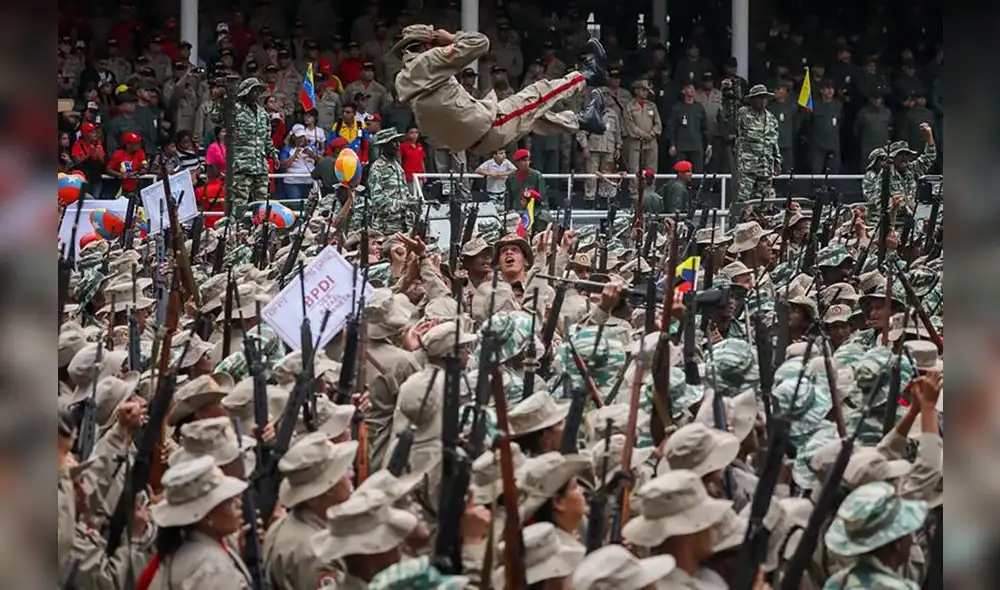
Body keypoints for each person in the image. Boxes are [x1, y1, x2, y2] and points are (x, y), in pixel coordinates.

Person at [392, 25, 608, 158]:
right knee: (537, 93)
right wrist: (450, 38)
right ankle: (587, 75)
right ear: (427, 44)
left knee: (531, 116)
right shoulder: (430, 59)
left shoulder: (402, 79)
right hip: (488, 127)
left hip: (472, 142)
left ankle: (584, 121)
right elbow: (480, 43)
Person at [146, 456, 252, 588]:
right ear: (207, 518)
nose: (238, 503)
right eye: (229, 501)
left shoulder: (183, 550)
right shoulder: (213, 569)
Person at [212, 77, 276, 224]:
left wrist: (273, 154)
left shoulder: (263, 113)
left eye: (258, 91)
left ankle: (259, 235)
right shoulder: (234, 109)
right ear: (245, 93)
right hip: (242, 165)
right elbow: (216, 118)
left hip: (260, 165)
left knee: (262, 206)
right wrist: (218, 101)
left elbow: (266, 138)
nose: (256, 94)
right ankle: (233, 233)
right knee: (239, 206)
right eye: (253, 91)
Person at [725, 82, 780, 220]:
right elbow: (729, 113)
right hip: (747, 166)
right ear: (753, 100)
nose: (762, 101)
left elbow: (774, 142)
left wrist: (777, 161)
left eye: (764, 98)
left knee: (762, 202)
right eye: (759, 97)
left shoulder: (771, 118)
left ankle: (758, 229)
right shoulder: (744, 113)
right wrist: (727, 94)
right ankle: (736, 227)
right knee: (743, 200)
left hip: (765, 167)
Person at [625, 79, 663, 197]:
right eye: (643, 90)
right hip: (636, 142)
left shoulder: (652, 106)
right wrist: (643, 135)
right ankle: (634, 193)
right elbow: (629, 125)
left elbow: (658, 123)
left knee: (651, 168)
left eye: (647, 90)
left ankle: (650, 191)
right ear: (636, 90)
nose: (645, 93)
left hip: (651, 142)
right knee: (634, 169)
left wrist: (652, 133)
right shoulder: (630, 106)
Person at [668, 82, 710, 173]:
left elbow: (705, 127)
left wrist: (708, 144)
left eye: (693, 88)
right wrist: (672, 144)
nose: (691, 90)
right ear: (683, 91)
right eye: (688, 87)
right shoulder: (677, 108)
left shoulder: (699, 107)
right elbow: (672, 128)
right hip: (681, 146)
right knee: (681, 172)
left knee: (697, 172)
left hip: (696, 145)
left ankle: (696, 187)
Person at [279, 126, 319, 200]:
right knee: (296, 204)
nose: (301, 139)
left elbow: (321, 161)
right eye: (299, 137)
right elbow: (283, 165)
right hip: (293, 182)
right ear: (294, 137)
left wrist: (312, 155)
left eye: (303, 137)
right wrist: (294, 155)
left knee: (310, 204)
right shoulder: (288, 149)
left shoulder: (312, 148)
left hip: (309, 181)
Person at [107, 131, 148, 197]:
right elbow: (108, 169)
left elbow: (144, 165)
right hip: (119, 188)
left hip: (135, 188)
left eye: (139, 142)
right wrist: (119, 174)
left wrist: (142, 169)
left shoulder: (140, 152)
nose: (139, 144)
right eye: (136, 143)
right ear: (128, 145)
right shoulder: (118, 154)